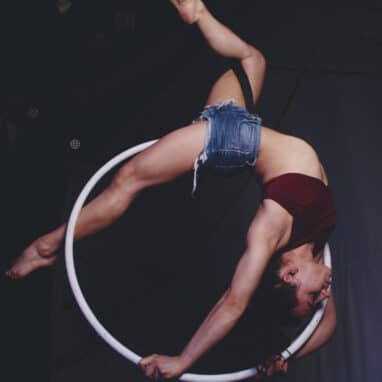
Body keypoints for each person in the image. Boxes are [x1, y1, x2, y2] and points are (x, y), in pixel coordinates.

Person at [6, 0, 336, 378]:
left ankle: (47, 247)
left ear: (289, 276)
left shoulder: (271, 229)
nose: (322, 297)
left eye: (313, 300)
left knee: (128, 179)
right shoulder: (316, 245)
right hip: (240, 127)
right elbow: (327, 326)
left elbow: (233, 301)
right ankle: (197, 13)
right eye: (316, 300)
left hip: (229, 143)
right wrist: (288, 354)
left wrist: (184, 361)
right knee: (252, 60)